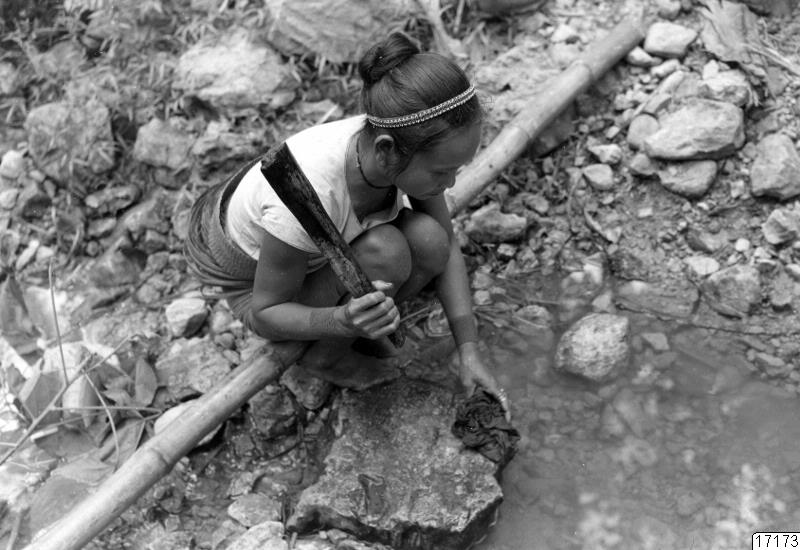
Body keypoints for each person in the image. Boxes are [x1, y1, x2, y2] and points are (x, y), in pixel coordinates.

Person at [186, 31, 508, 415]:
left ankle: (361, 327)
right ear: (386, 151)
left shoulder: (403, 140)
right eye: (443, 172)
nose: (451, 183)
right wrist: (339, 321)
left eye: (458, 170)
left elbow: (447, 246)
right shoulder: (310, 191)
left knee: (430, 239)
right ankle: (325, 359)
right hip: (255, 284)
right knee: (385, 250)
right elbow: (266, 312)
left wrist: (467, 348)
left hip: (320, 255)